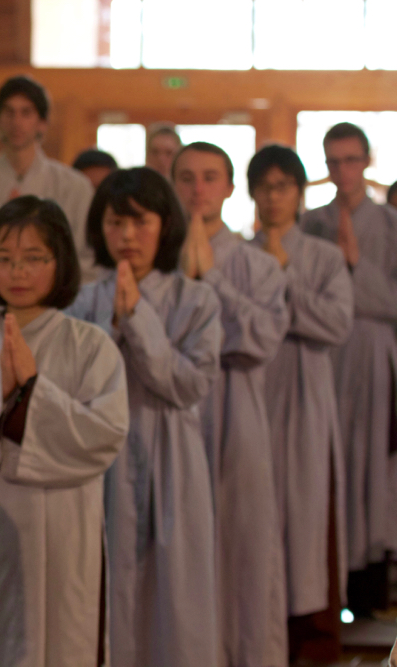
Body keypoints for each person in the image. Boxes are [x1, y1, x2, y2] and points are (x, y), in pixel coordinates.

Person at [0, 195, 129, 667]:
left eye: (33, 259)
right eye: (3, 259)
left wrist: (30, 392)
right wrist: (0, 397)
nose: (17, 273)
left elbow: (104, 434)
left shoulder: (91, 344)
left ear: (60, 262)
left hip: (64, 529)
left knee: (60, 642)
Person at [68, 167, 221, 667]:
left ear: (166, 225)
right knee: (102, 584)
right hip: (101, 462)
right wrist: (113, 321)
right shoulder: (85, 299)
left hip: (171, 456)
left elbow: (187, 384)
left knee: (174, 589)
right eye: (115, 223)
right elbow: (78, 384)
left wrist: (138, 319)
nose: (127, 236)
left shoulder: (195, 300)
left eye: (140, 222)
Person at [173, 141, 290, 667]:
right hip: (173, 414)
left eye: (209, 177)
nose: (198, 188)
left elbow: (263, 337)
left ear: (227, 187)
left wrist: (210, 278)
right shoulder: (157, 255)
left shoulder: (255, 263)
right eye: (187, 177)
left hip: (238, 409)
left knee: (242, 544)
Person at [248, 145, 354, 664]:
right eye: (264, 187)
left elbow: (336, 324)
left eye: (283, 186)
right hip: (249, 401)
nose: (273, 196)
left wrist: (284, 274)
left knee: (306, 519)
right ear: (250, 193)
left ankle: (309, 638)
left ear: (299, 192)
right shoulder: (237, 255)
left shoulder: (323, 257)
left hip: (307, 401)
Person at [300, 122, 397, 617]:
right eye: (334, 162)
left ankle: (371, 585)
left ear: (367, 160)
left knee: (370, 466)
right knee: (327, 459)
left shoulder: (388, 223)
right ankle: (328, 588)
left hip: (374, 350)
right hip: (324, 355)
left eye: (351, 160)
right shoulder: (310, 222)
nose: (343, 171)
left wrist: (357, 266)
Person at [0, 76, 96, 282]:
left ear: (42, 123)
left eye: (26, 112)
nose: (17, 122)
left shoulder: (74, 186)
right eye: (9, 112)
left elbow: (85, 259)